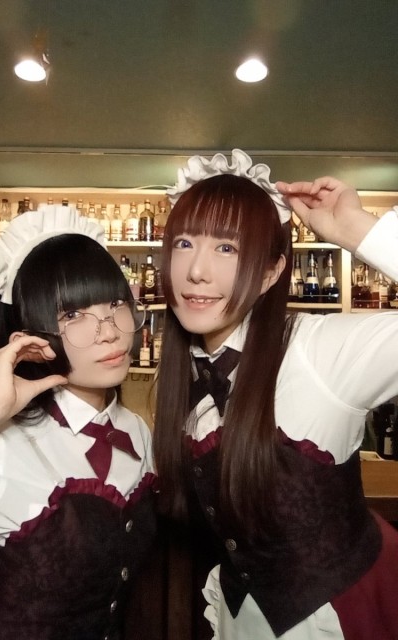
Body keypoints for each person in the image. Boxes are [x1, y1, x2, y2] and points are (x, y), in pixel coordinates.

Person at [153, 149, 398, 640]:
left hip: (337, 619)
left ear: (270, 272)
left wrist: (357, 231)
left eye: (227, 248)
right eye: (184, 243)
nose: (197, 270)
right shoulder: (182, 377)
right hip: (239, 619)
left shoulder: (320, 352)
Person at [0, 207, 157, 640]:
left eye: (116, 304)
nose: (109, 331)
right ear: (30, 337)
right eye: (73, 315)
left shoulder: (136, 431)